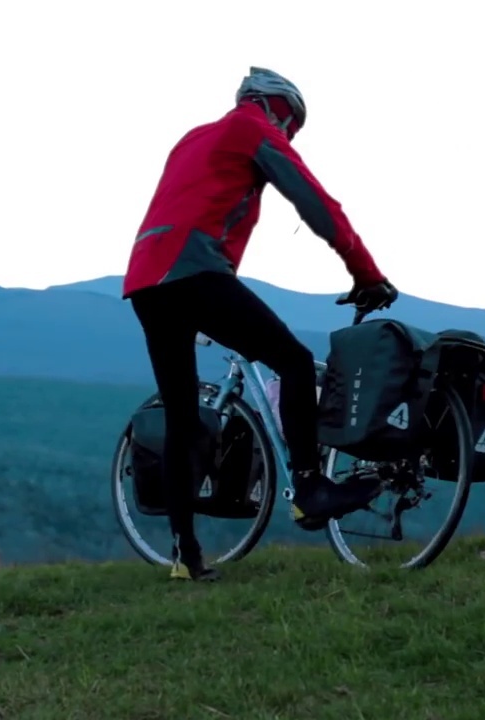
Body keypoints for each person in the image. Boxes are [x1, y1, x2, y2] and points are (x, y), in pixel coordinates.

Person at [122, 66, 399, 582]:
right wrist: (366, 273)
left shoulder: (193, 138)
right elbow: (316, 203)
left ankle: (186, 557)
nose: (289, 136)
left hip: (145, 280)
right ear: (280, 109)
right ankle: (310, 488)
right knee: (293, 361)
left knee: (183, 417)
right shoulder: (254, 130)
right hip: (194, 272)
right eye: (292, 126)